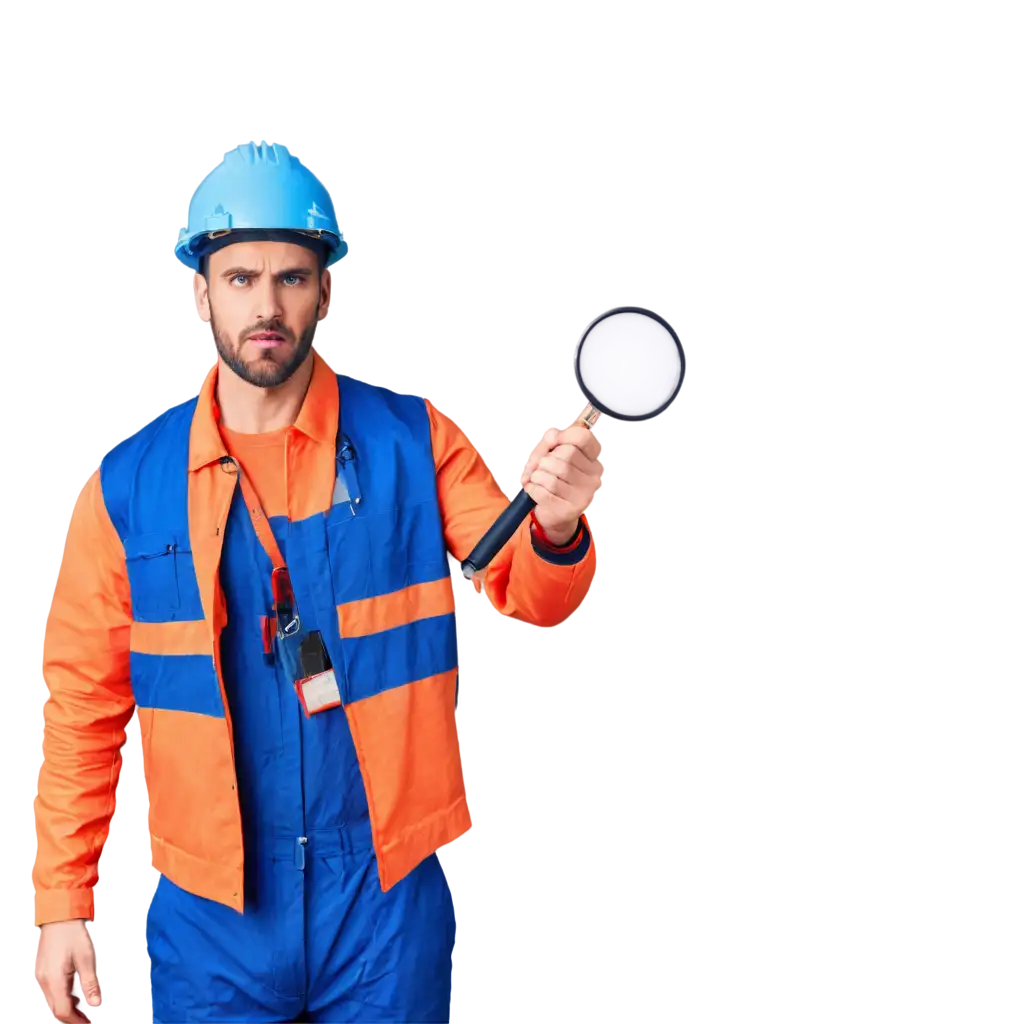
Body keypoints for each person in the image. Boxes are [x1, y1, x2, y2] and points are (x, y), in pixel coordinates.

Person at [31, 138, 601, 1023]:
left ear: (325, 288)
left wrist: (557, 524)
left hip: (382, 899)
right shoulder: (127, 484)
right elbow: (83, 702)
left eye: (291, 278)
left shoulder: (414, 441)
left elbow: (532, 589)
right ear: (199, 291)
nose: (267, 304)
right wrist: (62, 902)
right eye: (241, 277)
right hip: (212, 909)